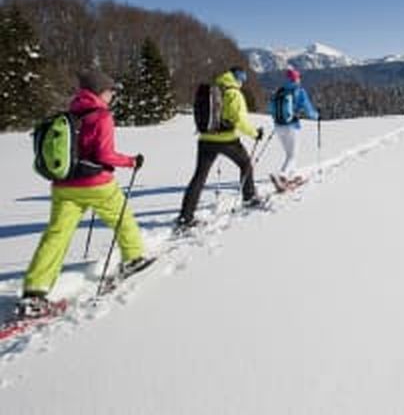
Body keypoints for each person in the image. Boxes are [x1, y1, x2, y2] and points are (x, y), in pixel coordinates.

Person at [18, 70, 151, 318]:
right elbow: (104, 155)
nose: (113, 95)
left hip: (64, 186)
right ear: (100, 91)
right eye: (111, 91)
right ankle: (134, 258)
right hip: (97, 185)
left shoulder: (71, 113)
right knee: (123, 219)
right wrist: (131, 161)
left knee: (56, 236)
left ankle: (34, 293)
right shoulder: (102, 116)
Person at [177, 66, 264, 229]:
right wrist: (255, 133)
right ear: (238, 78)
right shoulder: (234, 94)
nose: (243, 81)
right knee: (245, 164)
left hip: (205, 139)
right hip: (227, 140)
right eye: (242, 78)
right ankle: (249, 198)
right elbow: (239, 121)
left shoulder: (213, 89)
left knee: (199, 177)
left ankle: (185, 217)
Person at [269, 67, 319, 186]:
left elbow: (270, 108)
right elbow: (308, 110)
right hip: (291, 126)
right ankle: (282, 175)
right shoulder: (299, 91)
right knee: (292, 155)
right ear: (296, 79)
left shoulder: (279, 91)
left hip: (278, 127)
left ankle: (291, 175)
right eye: (298, 77)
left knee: (289, 154)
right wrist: (316, 116)